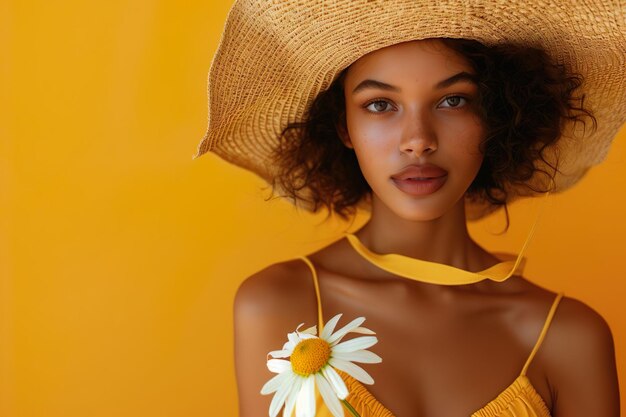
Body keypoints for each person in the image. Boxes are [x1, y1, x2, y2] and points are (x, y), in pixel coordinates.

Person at [194, 2, 625, 416]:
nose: (418, 139)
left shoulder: (569, 337)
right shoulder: (277, 304)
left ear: (497, 115)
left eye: (453, 100)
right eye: (380, 105)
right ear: (344, 126)